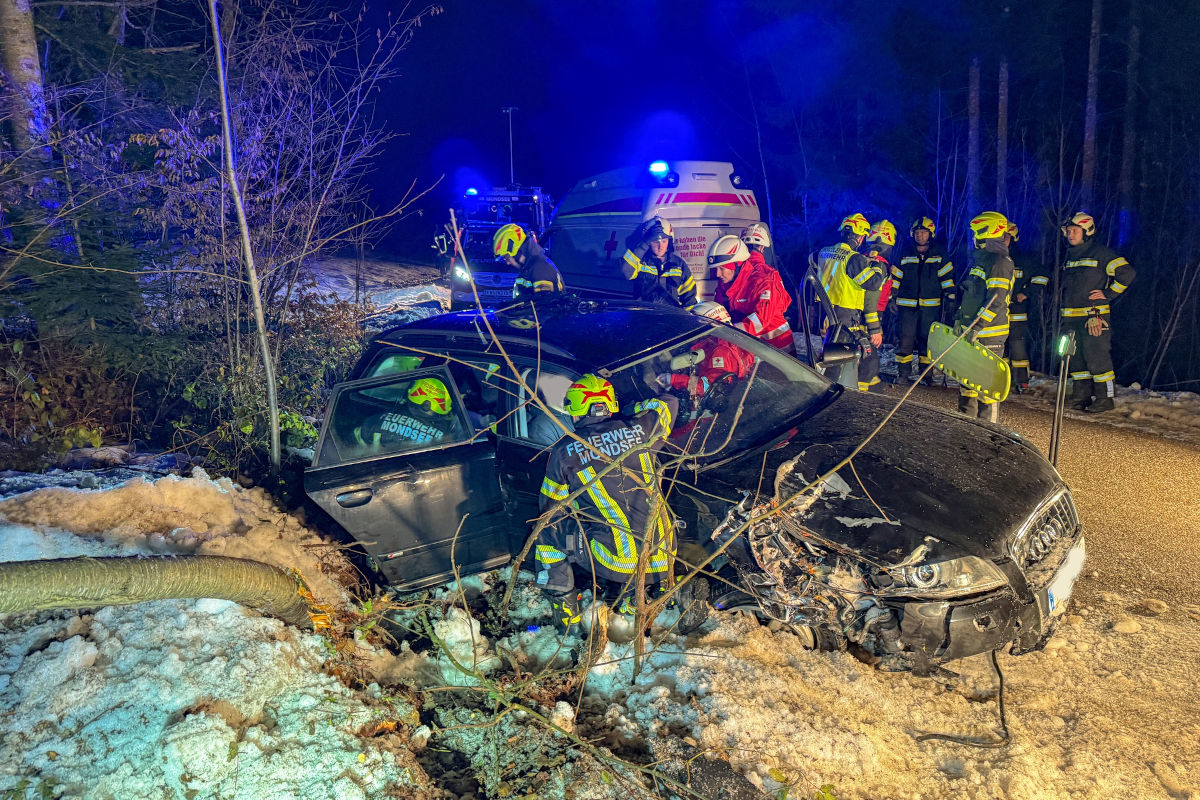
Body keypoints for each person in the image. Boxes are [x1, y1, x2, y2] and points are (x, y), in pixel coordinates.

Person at [535, 374, 679, 631]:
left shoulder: (566, 451)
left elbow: (550, 511)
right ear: (610, 404)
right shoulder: (642, 429)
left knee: (548, 532)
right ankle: (637, 597)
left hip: (617, 561)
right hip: (663, 555)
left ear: (575, 411)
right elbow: (668, 403)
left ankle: (565, 611)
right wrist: (630, 410)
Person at [1058, 212, 1136, 413]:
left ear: (1086, 232)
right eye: (1068, 231)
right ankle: (1081, 396)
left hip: (1094, 317)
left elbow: (1127, 273)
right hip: (1070, 318)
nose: (1070, 234)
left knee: (1097, 358)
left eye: (1075, 231)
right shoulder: (1070, 256)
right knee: (1075, 358)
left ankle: (1105, 398)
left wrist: (1108, 294)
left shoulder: (1101, 253)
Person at [953, 211, 1014, 422]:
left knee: (987, 391)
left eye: (976, 232)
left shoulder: (999, 262)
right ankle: (966, 429)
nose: (973, 237)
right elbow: (972, 296)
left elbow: (996, 301)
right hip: (972, 331)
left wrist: (977, 326)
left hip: (989, 335)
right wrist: (960, 319)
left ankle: (989, 434)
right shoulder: (982, 260)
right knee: (967, 386)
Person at [816, 213, 886, 390]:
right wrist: (877, 266)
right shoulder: (853, 258)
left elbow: (816, 264)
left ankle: (824, 385)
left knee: (830, 353)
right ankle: (828, 392)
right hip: (844, 313)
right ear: (860, 237)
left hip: (824, 311)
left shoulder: (824, 251)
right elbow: (873, 283)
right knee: (837, 358)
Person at [892, 217, 956, 383]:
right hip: (906, 306)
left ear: (930, 234)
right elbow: (896, 276)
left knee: (927, 341)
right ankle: (903, 375)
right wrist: (891, 297)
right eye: (917, 232)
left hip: (930, 307)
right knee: (905, 339)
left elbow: (946, 277)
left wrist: (950, 296)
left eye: (923, 232)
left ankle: (926, 375)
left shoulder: (939, 253)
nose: (920, 235)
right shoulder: (905, 251)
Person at [710, 234, 795, 353]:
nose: (717, 274)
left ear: (737, 265)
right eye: (715, 269)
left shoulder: (762, 283)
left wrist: (728, 333)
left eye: (722, 268)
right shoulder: (723, 287)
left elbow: (760, 320)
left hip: (779, 351)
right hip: (751, 351)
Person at [352, 377, 461, 452]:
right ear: (446, 405)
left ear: (412, 391)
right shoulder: (446, 440)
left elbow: (350, 449)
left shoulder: (375, 421)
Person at [1005, 222, 1049, 392]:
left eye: (1007, 237)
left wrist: (1027, 292)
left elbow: (1042, 276)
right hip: (997, 313)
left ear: (1013, 239)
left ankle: (1022, 381)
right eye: (1000, 237)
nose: (1003, 240)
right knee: (999, 349)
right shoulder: (994, 258)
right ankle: (1003, 380)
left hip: (1017, 313)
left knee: (1018, 348)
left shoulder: (1024, 260)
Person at [620, 216, 698, 309]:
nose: (660, 246)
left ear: (669, 241)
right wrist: (643, 244)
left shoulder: (679, 265)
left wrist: (688, 317)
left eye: (664, 241)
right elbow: (626, 271)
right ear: (648, 242)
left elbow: (689, 299)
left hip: (670, 316)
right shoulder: (640, 261)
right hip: (644, 315)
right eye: (655, 242)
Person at [858, 220, 896, 392]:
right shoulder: (879, 264)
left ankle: (875, 387)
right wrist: (875, 328)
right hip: (870, 314)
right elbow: (872, 296)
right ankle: (861, 395)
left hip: (864, 312)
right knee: (869, 358)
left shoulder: (865, 258)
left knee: (868, 356)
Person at [493, 223, 564, 300]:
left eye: (507, 258)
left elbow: (542, 304)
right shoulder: (528, 269)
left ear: (519, 251)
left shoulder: (541, 269)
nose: (508, 263)